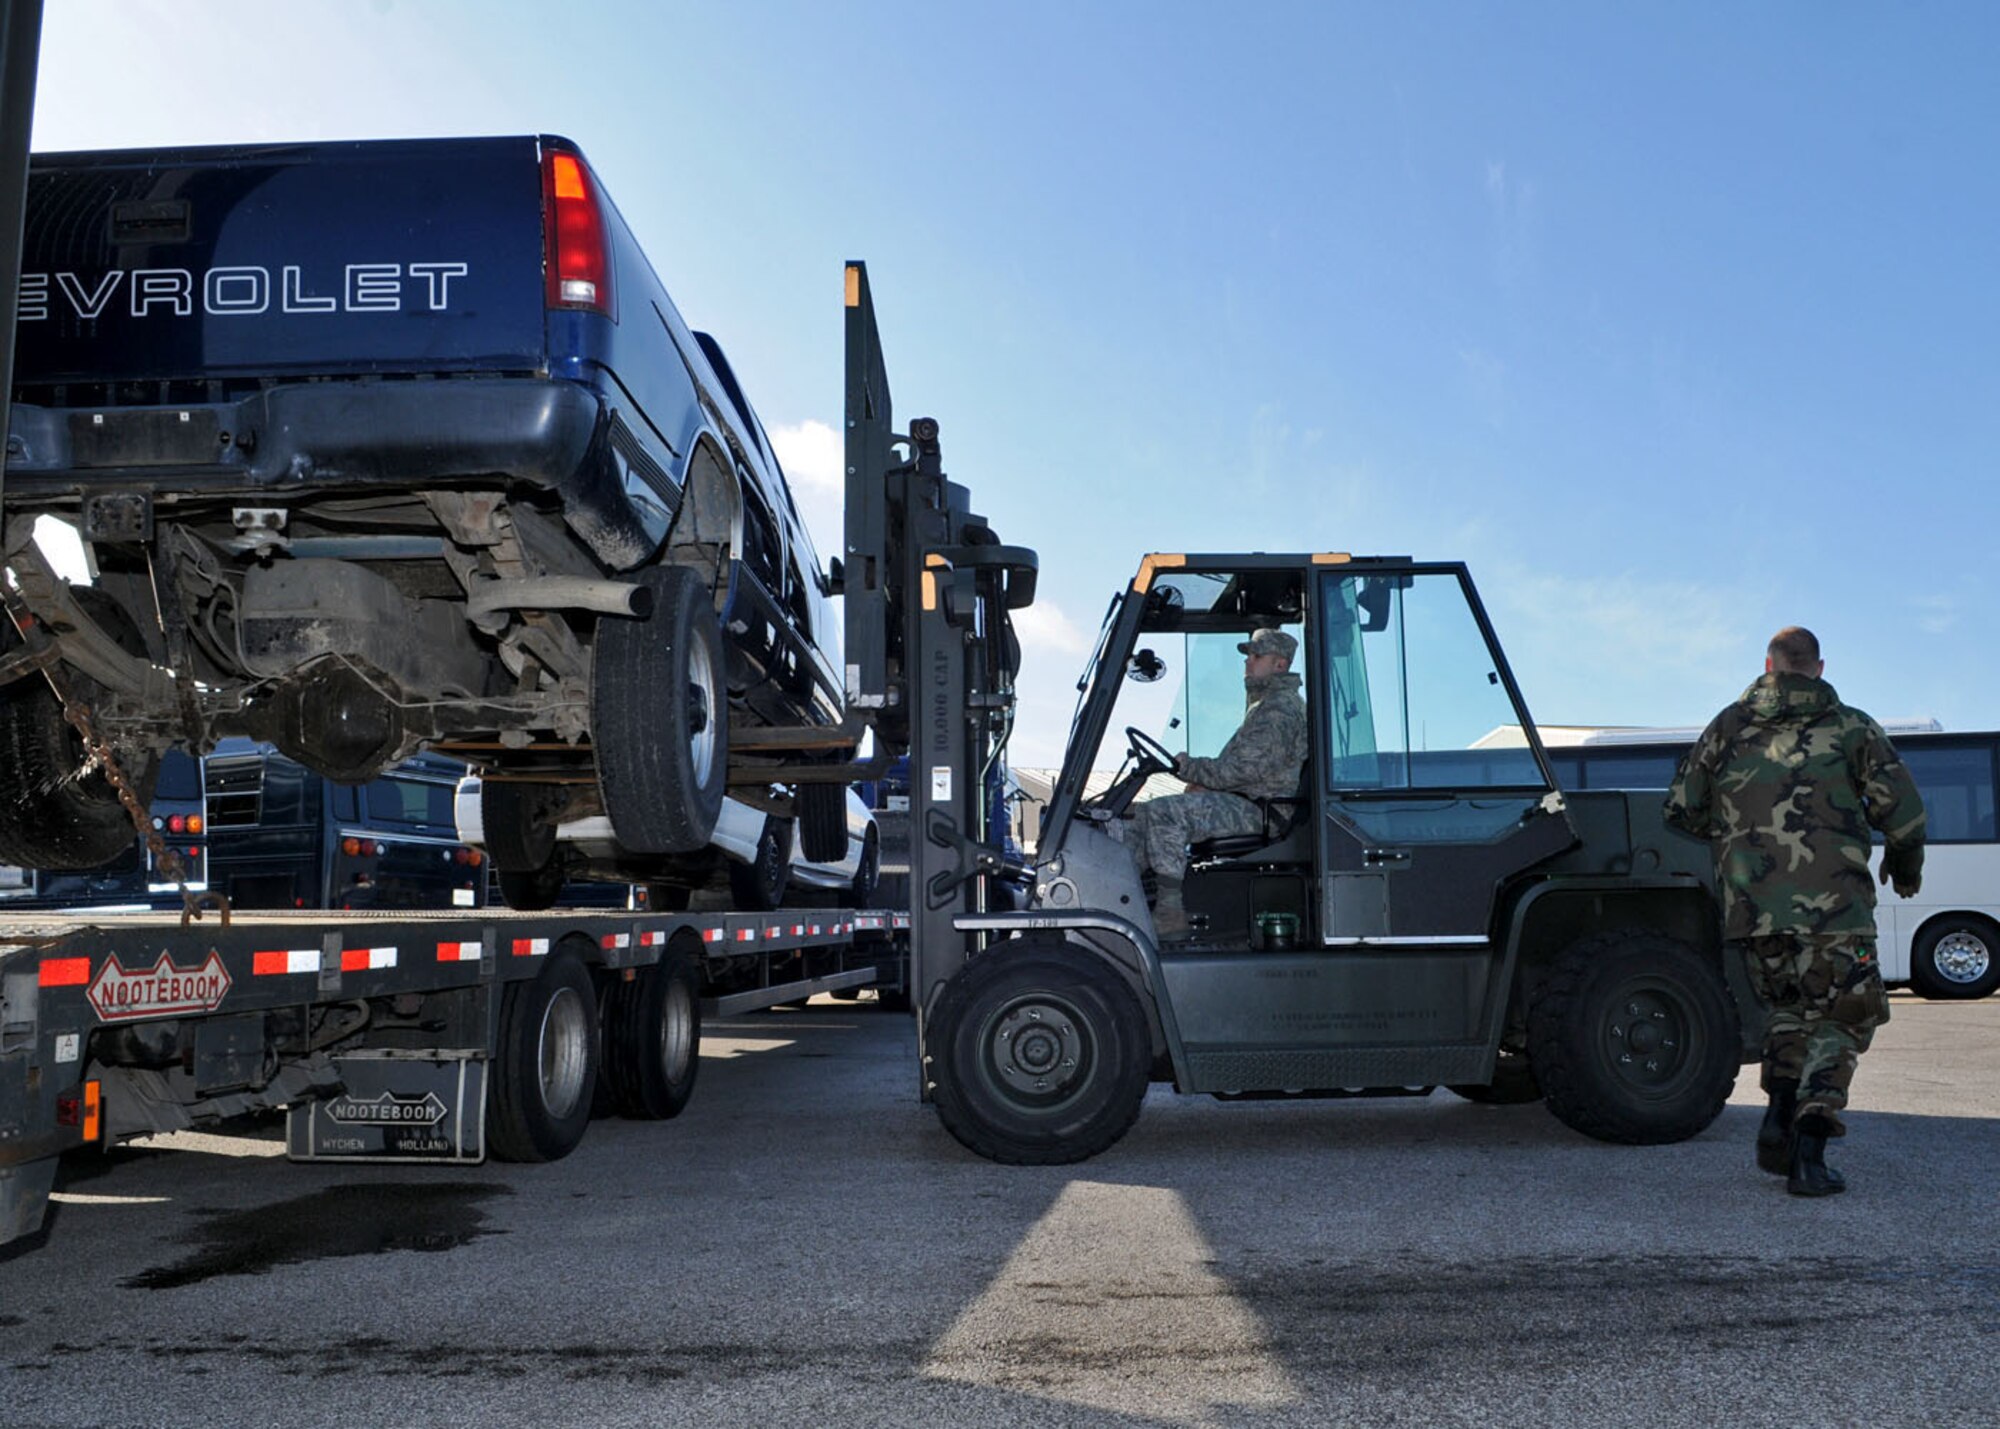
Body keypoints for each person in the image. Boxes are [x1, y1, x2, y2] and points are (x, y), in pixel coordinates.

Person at [1663, 625, 1925, 1197]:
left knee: (1787, 1014)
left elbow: (1680, 810)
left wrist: (1739, 838)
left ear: (1769, 664)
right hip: (1836, 913)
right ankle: (1810, 1147)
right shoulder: (1852, 726)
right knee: (1844, 1017)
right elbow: (1904, 816)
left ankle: (1779, 1117)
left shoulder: (1727, 726)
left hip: (1754, 915)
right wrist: (1905, 868)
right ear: (1819, 668)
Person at [1118, 627, 1308, 937]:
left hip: (1262, 812)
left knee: (1167, 812)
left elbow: (1243, 770)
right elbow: (1248, 771)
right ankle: (1120, 900)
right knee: (1143, 814)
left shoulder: (1280, 710)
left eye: (1256, 657)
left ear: (1280, 665)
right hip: (1248, 801)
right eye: (1248, 657)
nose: (1248, 663)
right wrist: (1208, 784)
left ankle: (1169, 914)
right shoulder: (1265, 706)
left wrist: (1190, 768)